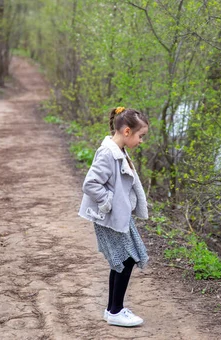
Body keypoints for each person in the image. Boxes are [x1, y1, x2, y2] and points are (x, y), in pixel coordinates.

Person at [78, 106, 150, 327]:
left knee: (121, 260)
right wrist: (109, 202)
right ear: (127, 132)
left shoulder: (119, 151)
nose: (141, 141)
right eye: (141, 136)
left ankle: (112, 309)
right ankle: (116, 311)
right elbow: (90, 184)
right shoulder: (108, 153)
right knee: (126, 259)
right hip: (109, 217)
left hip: (119, 216)